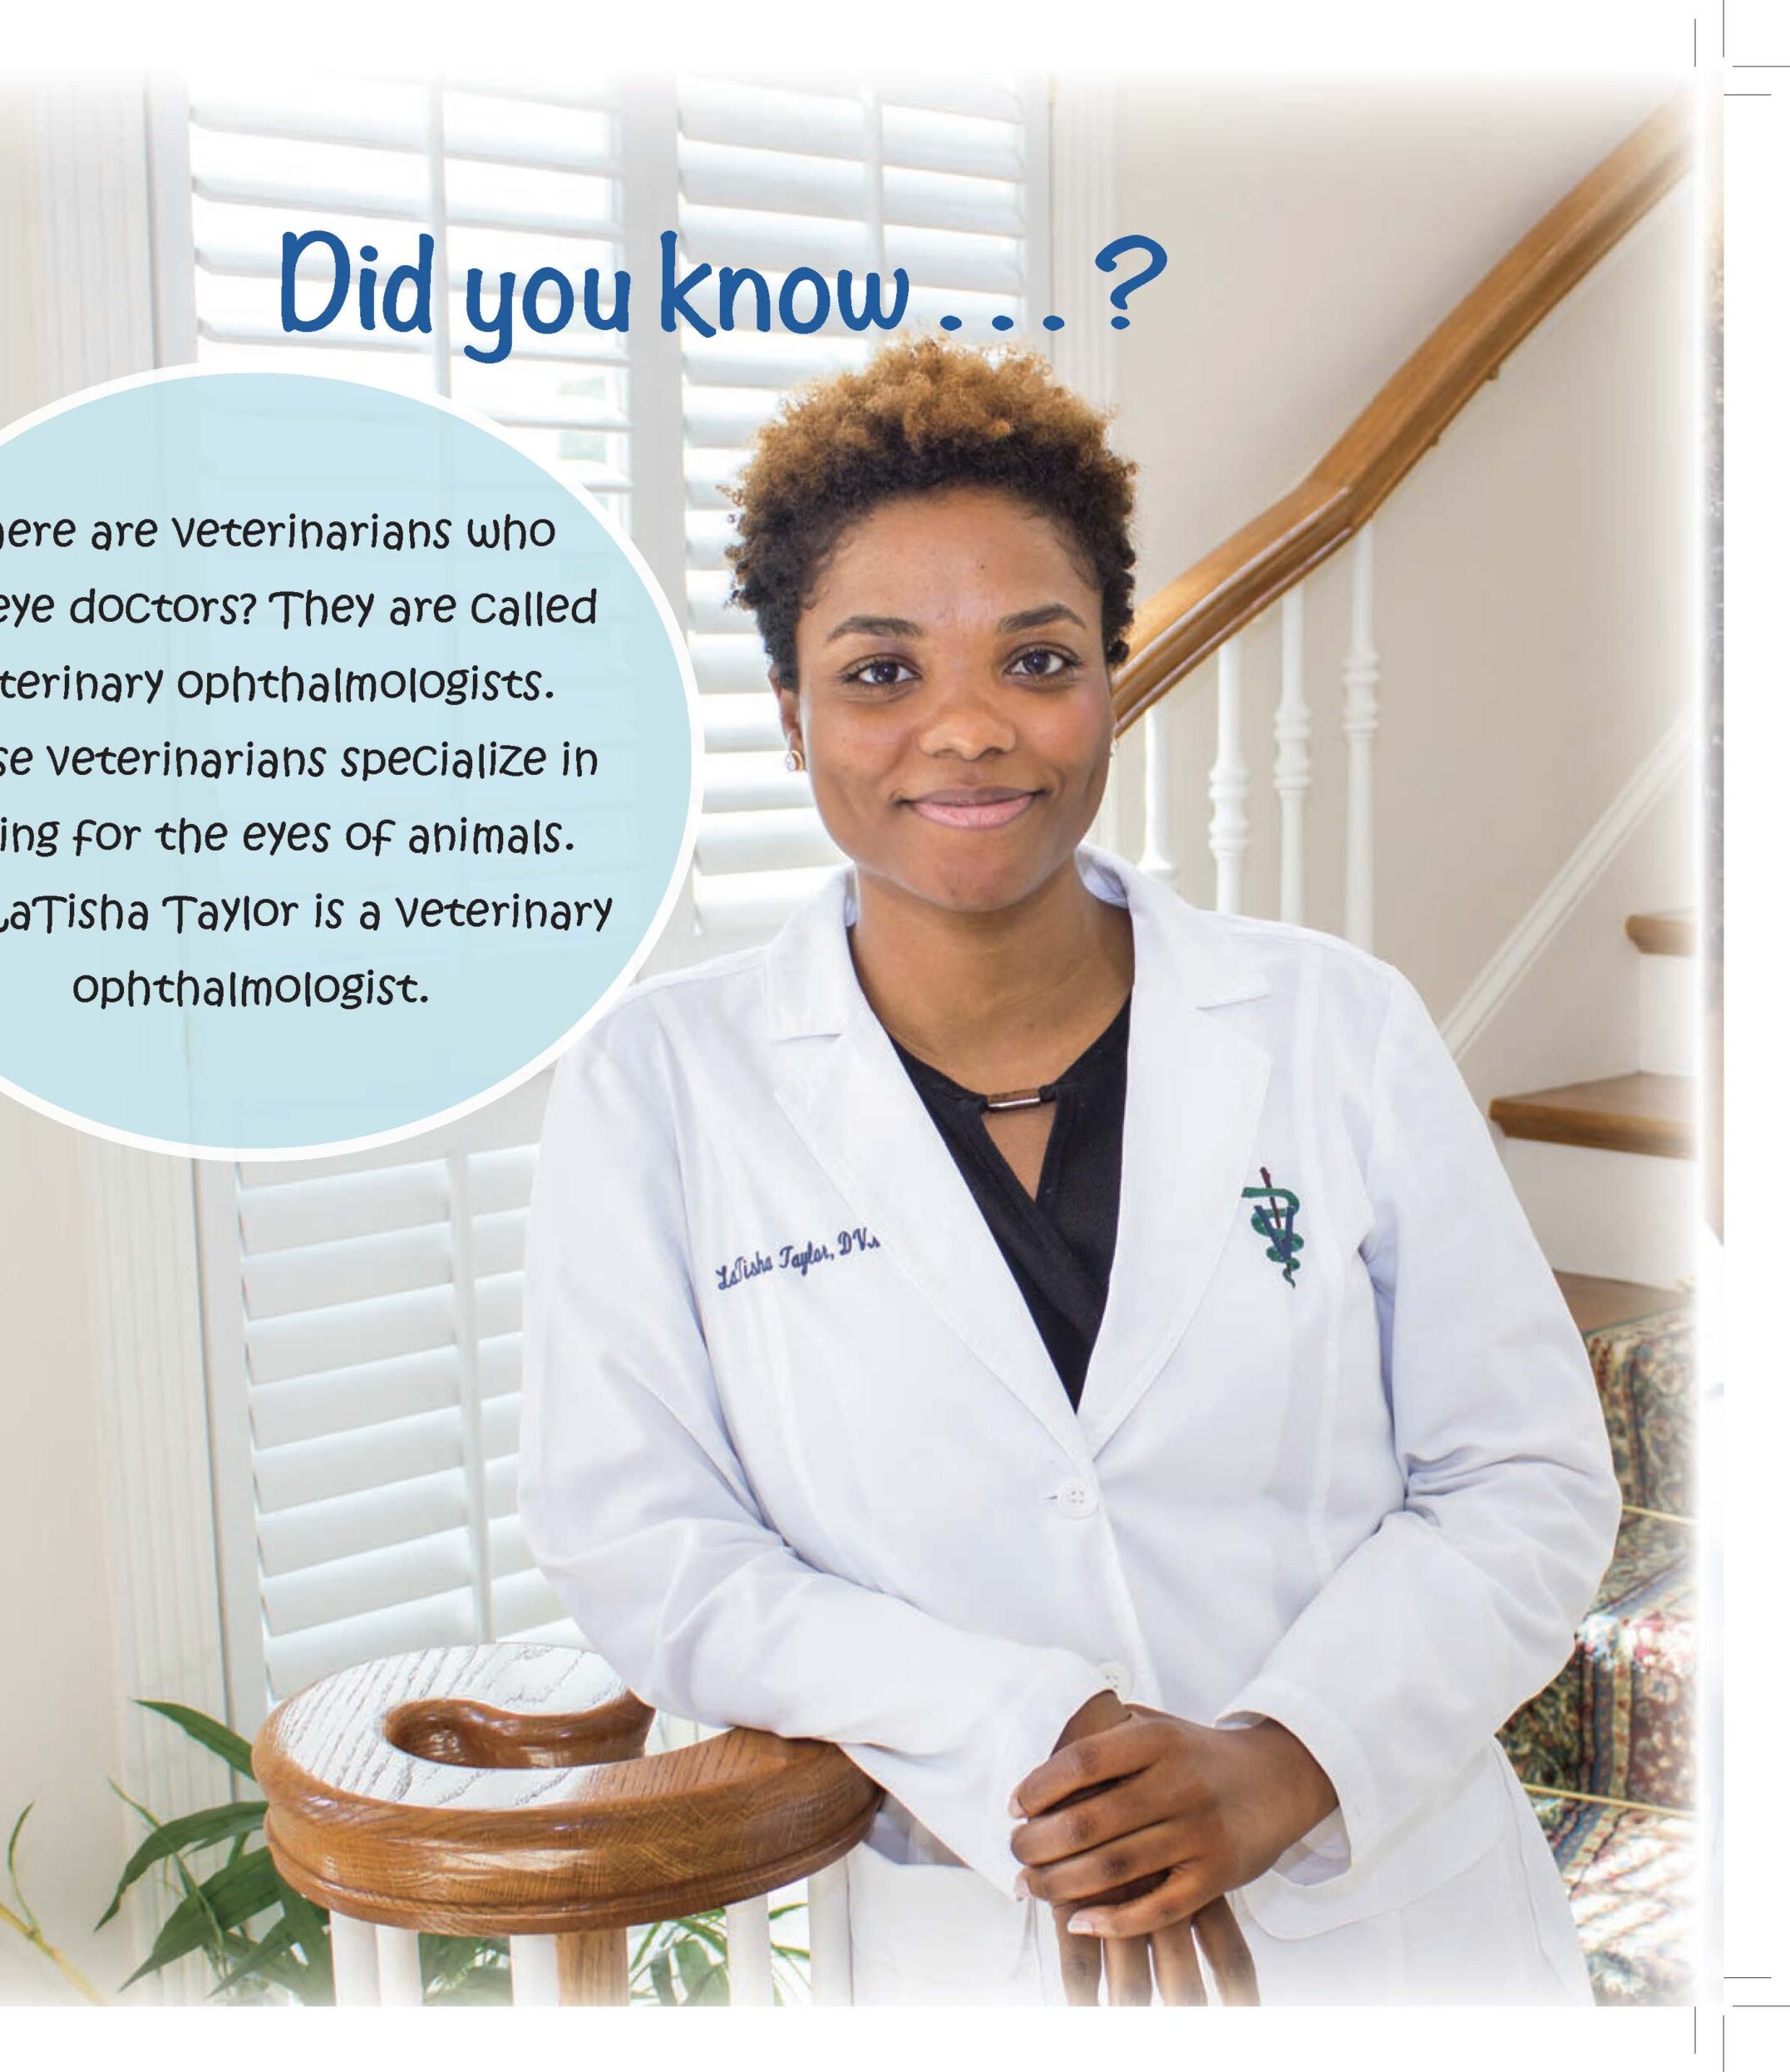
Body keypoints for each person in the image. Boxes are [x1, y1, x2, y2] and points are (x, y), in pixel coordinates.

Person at [515, 334, 1622, 2005]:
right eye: (880, 673)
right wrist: (1026, 1733)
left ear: (1112, 672)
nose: (966, 729)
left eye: (1035, 659)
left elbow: (1522, 1479)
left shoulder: (1335, 1026)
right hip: (975, 1944)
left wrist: (1289, 1753)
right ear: (791, 715)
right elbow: (641, 1543)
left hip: (1406, 1945)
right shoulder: (660, 1088)